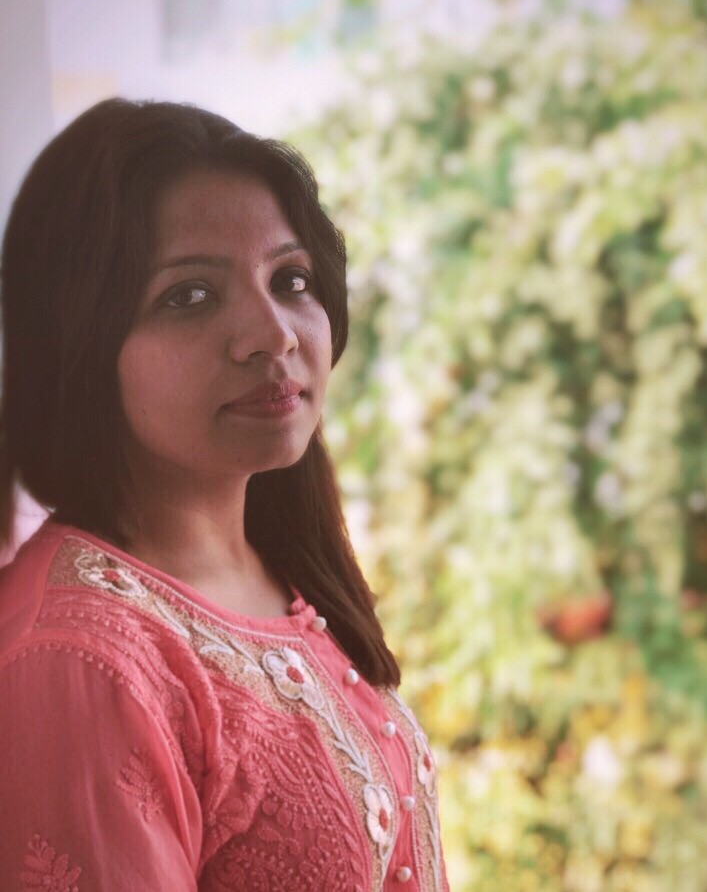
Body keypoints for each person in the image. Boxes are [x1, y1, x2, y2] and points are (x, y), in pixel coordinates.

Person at [0, 98, 449, 891]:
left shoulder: (282, 566)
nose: (273, 333)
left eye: (291, 279)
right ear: (77, 339)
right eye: (190, 297)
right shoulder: (77, 659)